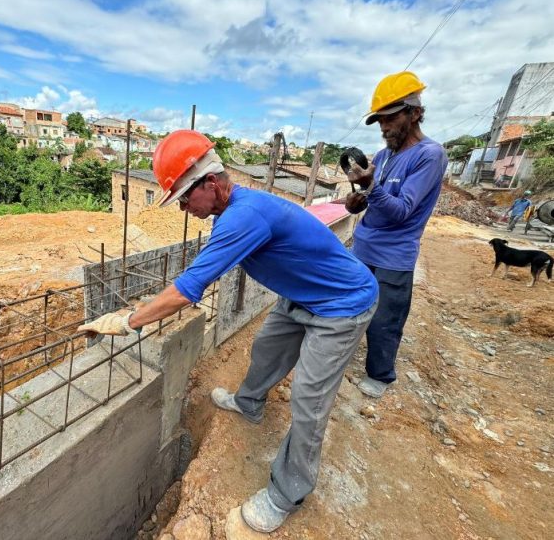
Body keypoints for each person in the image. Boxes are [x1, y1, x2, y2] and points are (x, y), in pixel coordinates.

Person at [78, 130, 378, 533]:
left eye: (186, 197)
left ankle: (286, 493)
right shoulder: (234, 209)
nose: (184, 208)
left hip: (343, 303)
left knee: (309, 399)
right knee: (267, 346)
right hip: (303, 294)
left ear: (212, 183)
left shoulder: (243, 218)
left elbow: (188, 289)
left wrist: (127, 321)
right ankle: (249, 403)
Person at [344, 71, 448, 399]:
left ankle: (380, 374)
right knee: (350, 304)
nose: (384, 127)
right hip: (364, 246)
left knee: (385, 320)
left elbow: (403, 210)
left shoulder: (429, 155)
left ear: (415, 112)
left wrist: (370, 187)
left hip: (394, 254)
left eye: (390, 119)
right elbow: (367, 205)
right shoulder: (383, 156)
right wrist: (355, 201)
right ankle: (340, 354)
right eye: (379, 122)